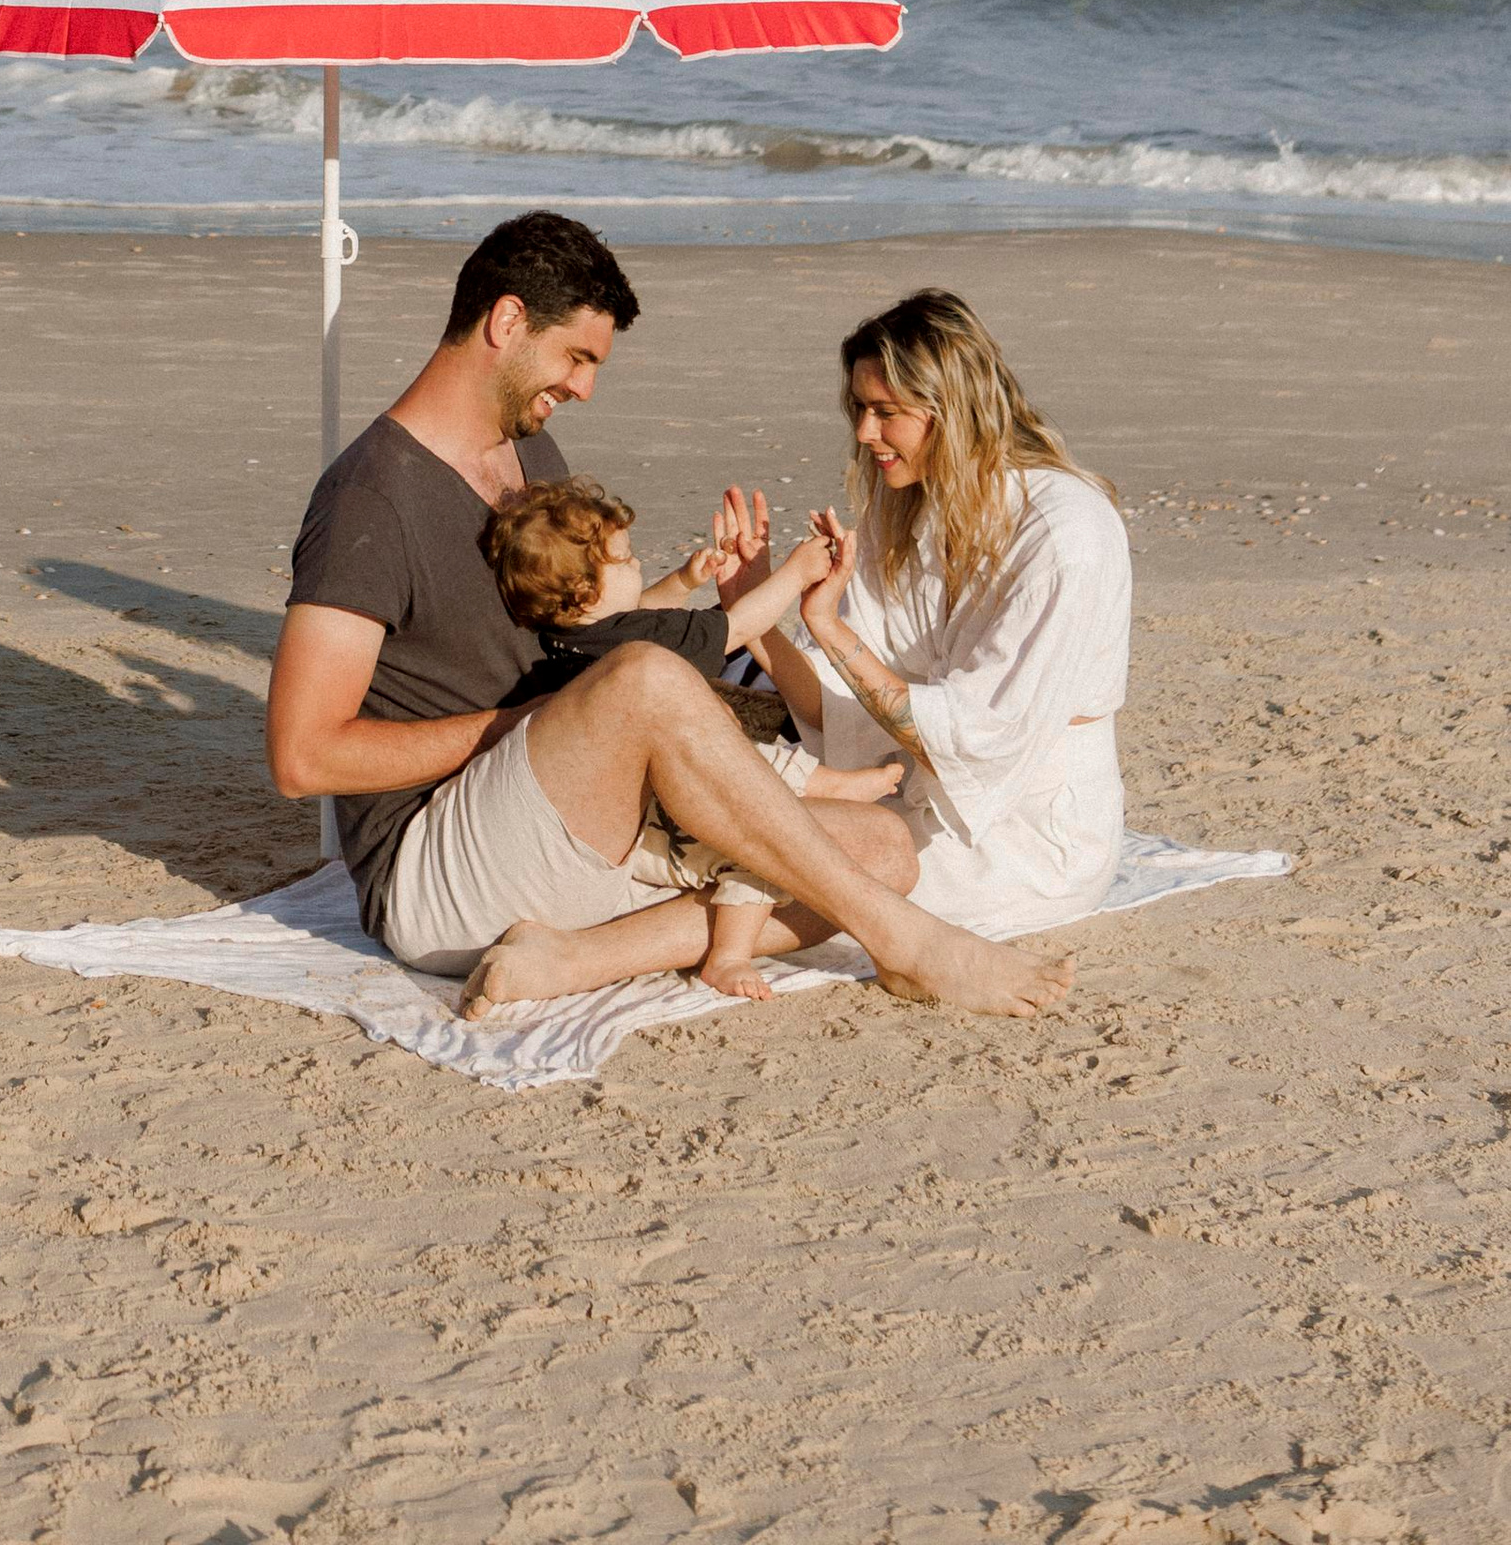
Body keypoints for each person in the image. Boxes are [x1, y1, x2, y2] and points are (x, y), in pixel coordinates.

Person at [266, 211, 1076, 1019]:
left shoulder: (527, 455)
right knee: (647, 683)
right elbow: (303, 758)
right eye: (577, 357)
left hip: (578, 818)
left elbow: (584, 632)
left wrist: (680, 605)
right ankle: (906, 945)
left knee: (887, 848)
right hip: (439, 870)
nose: (584, 386)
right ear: (507, 321)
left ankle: (575, 955)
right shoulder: (369, 499)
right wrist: (539, 720)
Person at [739, 287, 1133, 938]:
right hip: (910, 790)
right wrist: (750, 609)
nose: (865, 433)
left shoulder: (1065, 538)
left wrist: (831, 629)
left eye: (884, 412)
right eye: (860, 410)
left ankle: (591, 956)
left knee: (801, 864)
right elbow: (841, 713)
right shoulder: (910, 510)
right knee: (737, 818)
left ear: (952, 411)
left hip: (1027, 837)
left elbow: (971, 743)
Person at [481, 477, 906, 1001]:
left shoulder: (567, 637)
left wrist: (683, 581)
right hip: (662, 824)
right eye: (628, 559)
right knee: (759, 845)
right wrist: (796, 574)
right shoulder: (636, 643)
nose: (638, 566)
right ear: (587, 591)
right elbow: (737, 625)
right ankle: (729, 955)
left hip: (620, 809)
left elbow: (636, 612)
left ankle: (826, 785)